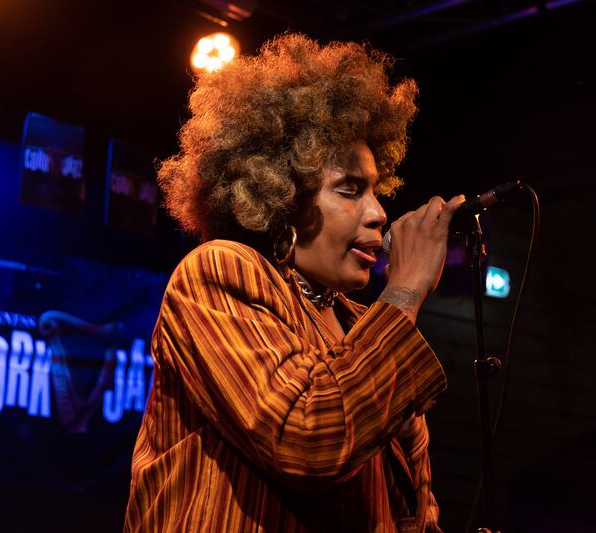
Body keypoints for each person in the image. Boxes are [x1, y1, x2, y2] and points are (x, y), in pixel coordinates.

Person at [124, 32, 465, 532]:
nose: (379, 213)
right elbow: (306, 436)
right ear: (281, 195)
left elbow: (413, 513)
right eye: (350, 191)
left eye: (376, 190)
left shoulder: (368, 332)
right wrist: (405, 292)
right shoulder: (219, 274)